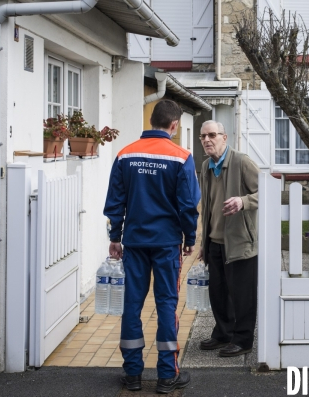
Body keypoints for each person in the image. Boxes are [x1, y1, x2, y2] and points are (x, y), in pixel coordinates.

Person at [104, 100, 200, 393]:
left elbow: (114, 202)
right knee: (167, 305)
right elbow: (187, 206)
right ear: (174, 125)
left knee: (132, 305)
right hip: (167, 244)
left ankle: (132, 374)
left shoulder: (125, 154)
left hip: (134, 243)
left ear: (151, 120)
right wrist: (190, 238)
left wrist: (116, 238)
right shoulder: (182, 157)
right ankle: (166, 376)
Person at [197, 120, 259, 357]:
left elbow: (266, 192)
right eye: (203, 136)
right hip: (215, 242)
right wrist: (204, 243)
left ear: (225, 137)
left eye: (212, 135)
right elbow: (209, 208)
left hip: (240, 242)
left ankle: (243, 339)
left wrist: (243, 202)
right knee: (218, 293)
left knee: (242, 295)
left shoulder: (242, 162)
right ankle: (223, 334)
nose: (206, 140)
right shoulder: (206, 166)